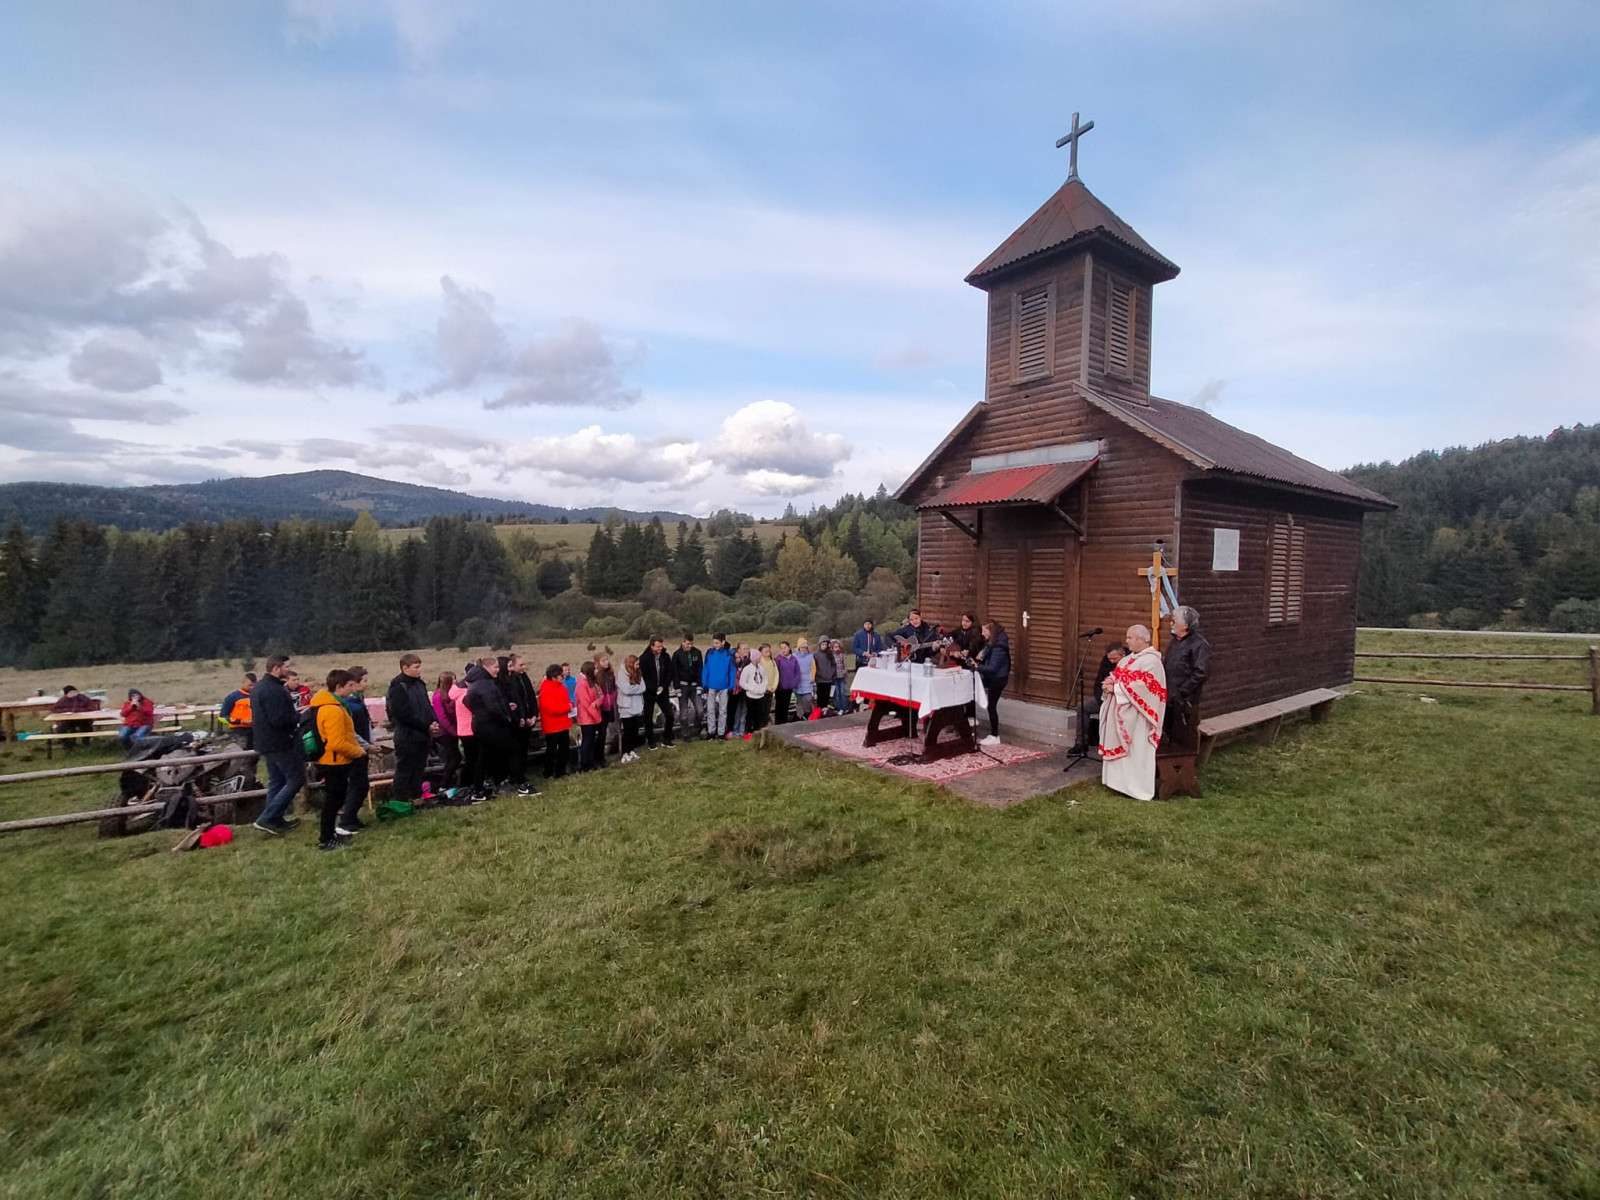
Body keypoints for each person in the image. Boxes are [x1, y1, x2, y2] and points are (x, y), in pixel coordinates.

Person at [1099, 625, 1168, 802]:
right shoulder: (1127, 659)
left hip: (1139, 718)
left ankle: (1137, 788)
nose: (1127, 641)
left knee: (1136, 751)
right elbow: (1117, 675)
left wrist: (1116, 688)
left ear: (1141, 639)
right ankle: (1117, 783)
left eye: (1130, 638)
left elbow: (1145, 688)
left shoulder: (1152, 662)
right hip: (1120, 712)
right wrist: (1109, 682)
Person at [310, 669, 366, 851]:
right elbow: (336, 742)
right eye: (349, 686)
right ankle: (326, 839)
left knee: (336, 799)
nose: (351, 689)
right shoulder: (332, 710)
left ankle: (331, 834)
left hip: (338, 760)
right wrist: (358, 751)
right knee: (332, 802)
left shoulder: (336, 706)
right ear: (339, 687)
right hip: (333, 762)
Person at [251, 655, 305, 836]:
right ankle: (267, 817)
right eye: (286, 667)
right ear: (276, 668)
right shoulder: (274, 690)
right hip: (279, 742)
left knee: (277, 780)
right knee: (296, 778)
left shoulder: (260, 687)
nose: (289, 670)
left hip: (265, 741)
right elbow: (279, 719)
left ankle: (275, 819)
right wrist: (298, 717)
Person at [464, 656, 523, 797]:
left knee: (484, 757)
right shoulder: (485, 684)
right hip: (491, 726)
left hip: (481, 725)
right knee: (513, 750)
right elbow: (493, 708)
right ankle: (520, 783)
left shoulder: (476, 683)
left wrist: (504, 707)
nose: (498, 670)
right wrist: (507, 718)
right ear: (486, 668)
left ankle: (478, 790)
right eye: (495, 667)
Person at [387, 653, 438, 807]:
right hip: (407, 736)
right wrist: (425, 726)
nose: (419, 670)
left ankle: (417, 799)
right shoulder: (398, 687)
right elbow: (402, 714)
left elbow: (426, 706)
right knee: (404, 770)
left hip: (422, 735)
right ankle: (401, 802)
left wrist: (433, 721)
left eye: (419, 666)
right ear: (405, 668)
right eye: (416, 667)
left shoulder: (420, 684)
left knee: (419, 769)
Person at [1163, 606, 1212, 752]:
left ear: (1185, 625)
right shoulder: (1175, 642)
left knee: (1186, 734)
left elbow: (1201, 672)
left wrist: (1182, 691)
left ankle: (1190, 761)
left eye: (1174, 621)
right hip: (1170, 696)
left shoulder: (1199, 644)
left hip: (1186, 699)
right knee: (1169, 732)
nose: (1171, 624)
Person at [1074, 642, 1127, 754]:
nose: (1112, 661)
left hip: (1122, 702)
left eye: (1115, 659)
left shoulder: (1130, 663)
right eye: (1110, 658)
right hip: (1105, 699)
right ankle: (1081, 743)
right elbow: (1098, 683)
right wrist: (1101, 699)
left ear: (1123, 655)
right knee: (1082, 707)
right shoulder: (1106, 662)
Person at [338, 666, 374, 832]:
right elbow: (352, 730)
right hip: (355, 748)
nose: (366, 684)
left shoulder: (358, 701)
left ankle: (352, 817)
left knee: (361, 784)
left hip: (362, 746)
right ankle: (347, 819)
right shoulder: (350, 705)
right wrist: (365, 745)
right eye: (364, 680)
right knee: (358, 785)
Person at [498, 653, 538, 788]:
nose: (524, 667)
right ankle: (515, 776)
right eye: (520, 665)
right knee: (516, 750)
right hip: (516, 722)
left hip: (527, 718)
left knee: (523, 749)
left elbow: (530, 697)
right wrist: (520, 717)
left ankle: (522, 774)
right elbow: (515, 701)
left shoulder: (524, 678)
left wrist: (533, 715)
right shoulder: (507, 682)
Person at [974, 621, 1011, 745]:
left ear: (991, 631)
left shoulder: (999, 647)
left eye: (985, 631)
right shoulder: (991, 643)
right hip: (991, 677)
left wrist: (977, 666)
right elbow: (984, 659)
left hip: (998, 678)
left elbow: (992, 668)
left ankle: (995, 735)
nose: (982, 633)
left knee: (991, 705)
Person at [639, 636, 676, 749]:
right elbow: (643, 676)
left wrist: (663, 686)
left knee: (669, 714)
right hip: (649, 692)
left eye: (661, 646)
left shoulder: (666, 657)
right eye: (657, 646)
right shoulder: (644, 658)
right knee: (648, 717)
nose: (660, 648)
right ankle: (651, 741)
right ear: (652, 646)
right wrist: (652, 688)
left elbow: (670, 672)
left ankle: (667, 738)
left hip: (662, 692)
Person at [538, 665, 573, 780]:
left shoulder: (562, 688)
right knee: (551, 750)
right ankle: (548, 772)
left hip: (563, 724)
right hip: (552, 726)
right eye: (561, 675)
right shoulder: (546, 690)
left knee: (564, 749)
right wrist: (568, 707)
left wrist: (570, 705)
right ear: (553, 677)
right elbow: (552, 709)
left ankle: (561, 771)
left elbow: (567, 701)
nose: (563, 677)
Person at [701, 633, 737, 739]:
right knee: (710, 710)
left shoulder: (729, 654)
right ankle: (711, 731)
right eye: (714, 643)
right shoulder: (710, 652)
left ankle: (721, 732)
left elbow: (732, 671)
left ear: (723, 642)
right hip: (711, 685)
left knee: (723, 710)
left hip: (724, 686)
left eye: (717, 643)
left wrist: (731, 686)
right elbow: (706, 668)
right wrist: (704, 683)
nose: (715, 645)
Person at [672, 634, 706, 739]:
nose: (690, 646)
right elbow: (675, 672)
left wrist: (700, 685)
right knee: (684, 713)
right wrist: (677, 688)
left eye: (691, 644)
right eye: (688, 644)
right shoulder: (677, 655)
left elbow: (700, 669)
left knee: (700, 711)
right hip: (683, 686)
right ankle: (685, 733)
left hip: (695, 686)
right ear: (683, 642)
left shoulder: (697, 653)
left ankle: (696, 730)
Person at [432, 669, 461, 791]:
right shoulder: (438, 696)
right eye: (453, 680)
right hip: (444, 732)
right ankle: (444, 785)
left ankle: (448, 783)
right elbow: (442, 717)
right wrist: (454, 732)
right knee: (454, 757)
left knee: (454, 757)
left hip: (452, 730)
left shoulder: (452, 694)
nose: (456, 682)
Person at [617, 654, 647, 762]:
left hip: (637, 706)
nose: (638, 666)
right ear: (630, 664)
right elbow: (626, 690)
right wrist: (636, 688)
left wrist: (634, 688)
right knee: (628, 731)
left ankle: (631, 750)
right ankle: (625, 752)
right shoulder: (621, 674)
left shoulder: (638, 673)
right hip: (627, 708)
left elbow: (643, 687)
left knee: (635, 731)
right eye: (636, 664)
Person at [575, 661, 605, 771]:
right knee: (587, 741)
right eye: (595, 669)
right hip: (587, 718)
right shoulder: (582, 684)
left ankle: (591, 761)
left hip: (594, 716)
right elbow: (586, 703)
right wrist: (596, 716)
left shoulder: (593, 681)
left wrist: (597, 703)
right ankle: (584, 763)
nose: (597, 671)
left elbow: (601, 695)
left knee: (592, 740)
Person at [450, 670, 476, 794]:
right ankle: (465, 783)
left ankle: (466, 782)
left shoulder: (457, 695)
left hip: (463, 730)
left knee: (470, 759)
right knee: (472, 760)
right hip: (469, 730)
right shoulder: (466, 696)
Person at [739, 645, 771, 737]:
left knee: (759, 715)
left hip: (760, 696)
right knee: (750, 715)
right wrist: (751, 688)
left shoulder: (761, 668)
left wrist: (763, 688)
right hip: (751, 696)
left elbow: (765, 679)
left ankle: (757, 731)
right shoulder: (747, 669)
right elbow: (742, 682)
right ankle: (748, 732)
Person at [220, 673, 256, 751]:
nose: (252, 688)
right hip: (239, 731)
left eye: (254, 685)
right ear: (243, 683)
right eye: (250, 685)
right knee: (241, 753)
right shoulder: (233, 697)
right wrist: (241, 721)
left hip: (255, 730)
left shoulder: (258, 696)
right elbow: (223, 717)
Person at [728, 642, 752, 738]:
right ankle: (734, 730)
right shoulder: (734, 660)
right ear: (738, 650)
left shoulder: (749, 661)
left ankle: (742, 730)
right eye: (744, 648)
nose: (746, 650)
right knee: (736, 710)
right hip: (735, 690)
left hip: (746, 689)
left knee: (744, 710)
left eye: (747, 648)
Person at [773, 641, 799, 724]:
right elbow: (775, 673)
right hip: (780, 688)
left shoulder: (794, 659)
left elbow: (797, 672)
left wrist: (794, 682)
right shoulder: (778, 659)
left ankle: (784, 723)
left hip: (789, 687)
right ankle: (778, 724)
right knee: (779, 706)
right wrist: (778, 684)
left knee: (786, 706)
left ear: (789, 648)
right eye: (781, 648)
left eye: (785, 648)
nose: (783, 650)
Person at [793, 638, 817, 720]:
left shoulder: (810, 656)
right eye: (802, 647)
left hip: (808, 681)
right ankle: (800, 716)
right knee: (799, 700)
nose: (803, 649)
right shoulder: (794, 656)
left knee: (807, 699)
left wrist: (812, 677)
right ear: (799, 648)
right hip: (798, 681)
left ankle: (807, 714)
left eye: (805, 647)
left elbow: (813, 668)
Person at [812, 638, 837, 713]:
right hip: (820, 679)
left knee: (827, 696)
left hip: (829, 679)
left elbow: (833, 665)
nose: (824, 646)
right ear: (820, 645)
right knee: (820, 696)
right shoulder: (815, 654)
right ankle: (819, 711)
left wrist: (831, 674)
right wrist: (818, 674)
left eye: (826, 644)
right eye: (823, 644)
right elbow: (814, 667)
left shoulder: (830, 654)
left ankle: (825, 711)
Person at [828, 639, 851, 713]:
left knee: (842, 692)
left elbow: (845, 665)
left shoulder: (842, 655)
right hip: (834, 677)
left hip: (841, 676)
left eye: (838, 647)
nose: (837, 648)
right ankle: (838, 708)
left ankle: (844, 707)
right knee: (837, 693)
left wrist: (844, 672)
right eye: (835, 647)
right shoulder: (831, 656)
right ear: (832, 648)